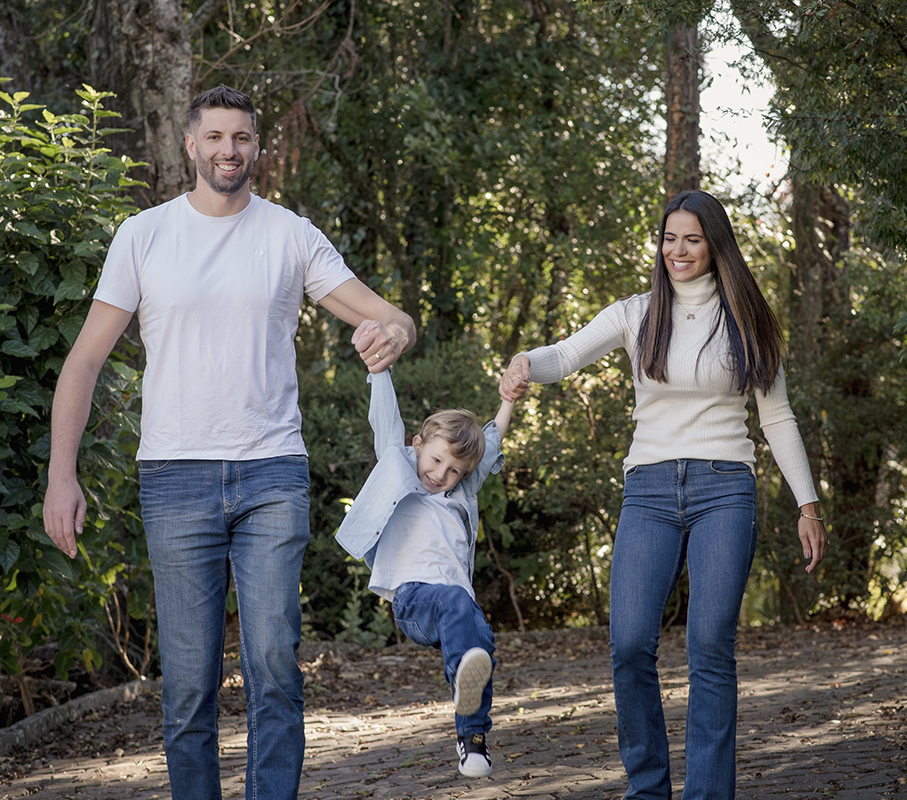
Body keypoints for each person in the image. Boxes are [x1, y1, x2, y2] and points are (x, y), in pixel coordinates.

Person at [42, 85, 415, 800]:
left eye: (241, 138)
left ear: (256, 146)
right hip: (175, 478)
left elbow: (390, 315)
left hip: (271, 472)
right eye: (215, 137)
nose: (229, 151)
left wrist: (392, 334)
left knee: (275, 662)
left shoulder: (289, 235)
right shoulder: (143, 235)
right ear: (190, 145)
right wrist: (63, 473)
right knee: (187, 686)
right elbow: (83, 362)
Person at [498, 190, 828, 800]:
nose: (678, 250)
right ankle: (647, 789)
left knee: (708, 645)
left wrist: (807, 504)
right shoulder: (637, 313)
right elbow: (566, 355)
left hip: (725, 488)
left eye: (692, 239)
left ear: (715, 244)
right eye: (669, 238)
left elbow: (777, 417)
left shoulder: (748, 319)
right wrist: (524, 362)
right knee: (628, 643)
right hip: (648, 490)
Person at [335, 367, 520, 778]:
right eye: (436, 460)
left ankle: (472, 741)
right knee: (457, 607)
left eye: (454, 471)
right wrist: (379, 369)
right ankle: (462, 680)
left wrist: (508, 399)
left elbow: (490, 447)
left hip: (456, 605)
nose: (440, 475)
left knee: (482, 642)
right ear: (417, 445)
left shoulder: (460, 494)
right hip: (415, 599)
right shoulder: (397, 469)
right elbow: (386, 418)